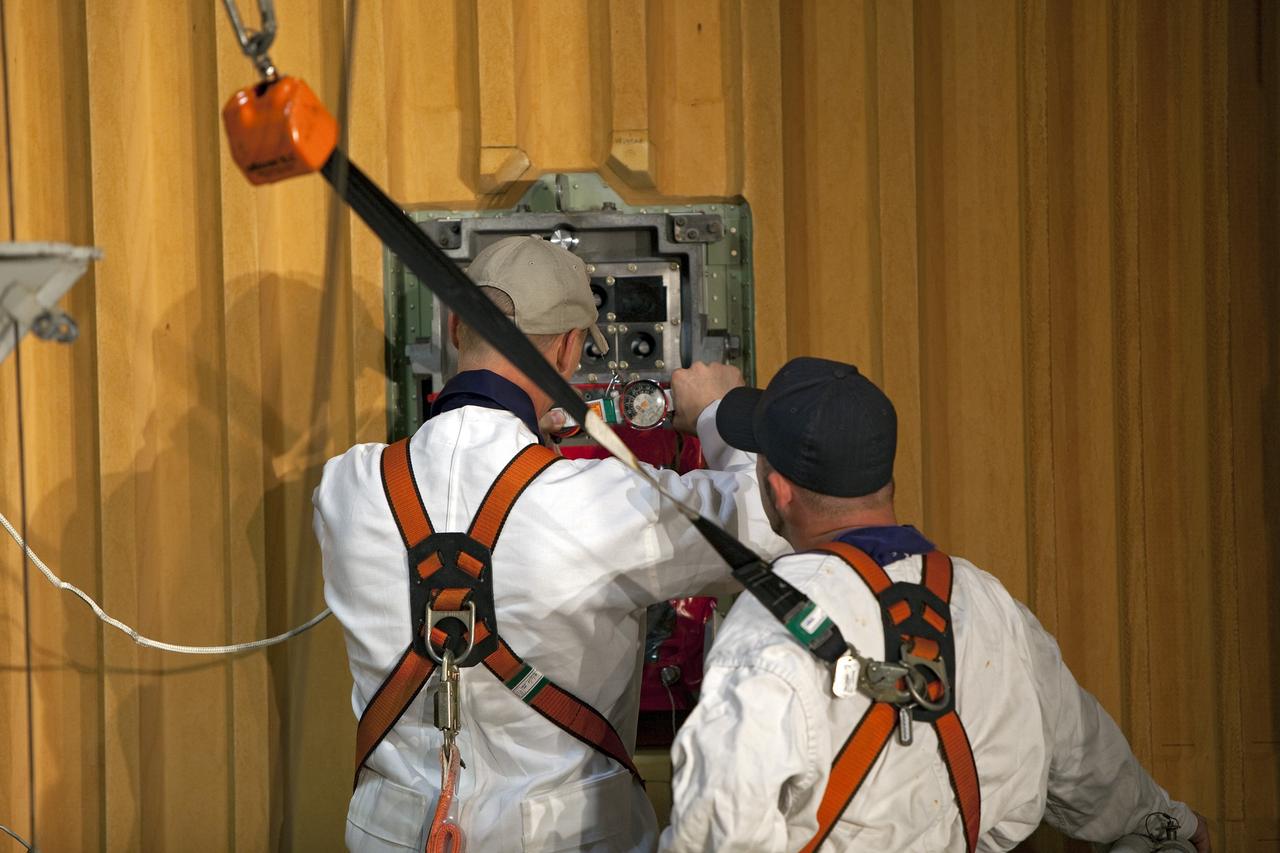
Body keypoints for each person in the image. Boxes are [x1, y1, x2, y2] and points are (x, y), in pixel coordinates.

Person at [313, 235, 787, 852]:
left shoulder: (345, 486)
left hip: (391, 835)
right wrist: (720, 412)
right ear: (567, 351)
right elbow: (769, 518)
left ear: (457, 327)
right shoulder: (601, 501)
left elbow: (460, 488)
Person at [661, 356, 1210, 853]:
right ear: (885, 478)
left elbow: (713, 833)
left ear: (776, 490)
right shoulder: (986, 602)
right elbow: (1087, 756)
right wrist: (1168, 821)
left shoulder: (766, 636)